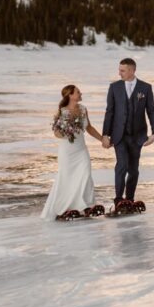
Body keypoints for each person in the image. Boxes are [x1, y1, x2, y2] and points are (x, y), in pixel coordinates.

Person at [40, 84, 104, 220]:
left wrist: (102, 139)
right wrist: (65, 132)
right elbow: (56, 133)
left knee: (85, 174)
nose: (81, 94)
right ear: (70, 95)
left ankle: (86, 205)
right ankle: (65, 207)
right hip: (67, 151)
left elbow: (89, 128)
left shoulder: (83, 109)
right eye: (78, 92)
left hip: (81, 150)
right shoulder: (62, 111)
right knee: (67, 177)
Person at [101, 57, 154, 207]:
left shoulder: (145, 88)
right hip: (119, 135)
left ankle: (130, 199)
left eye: (122, 70)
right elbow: (110, 112)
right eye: (119, 70)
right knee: (122, 165)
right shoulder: (114, 87)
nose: (119, 73)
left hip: (138, 136)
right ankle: (119, 199)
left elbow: (151, 111)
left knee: (133, 169)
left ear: (132, 70)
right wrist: (105, 135)